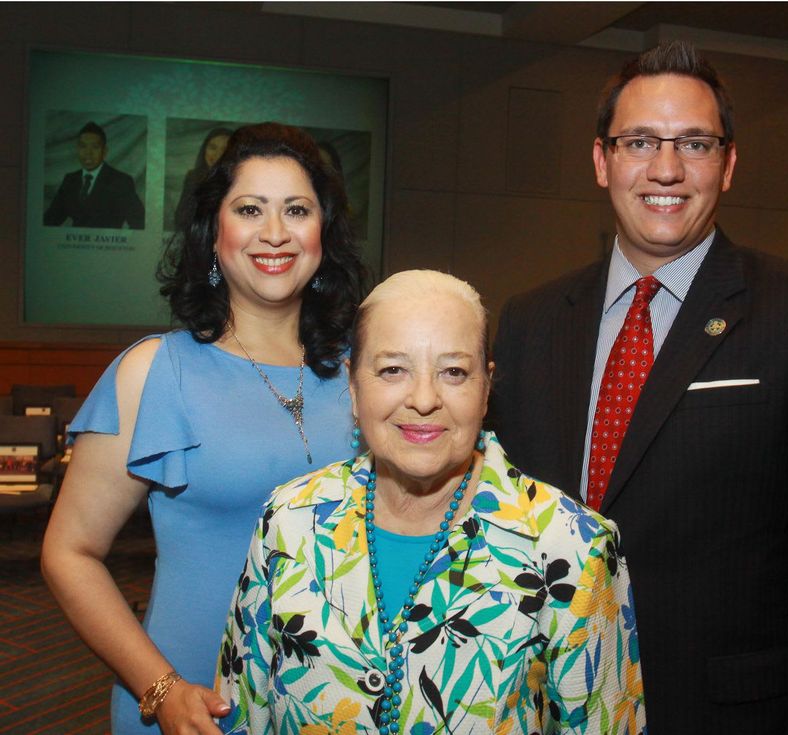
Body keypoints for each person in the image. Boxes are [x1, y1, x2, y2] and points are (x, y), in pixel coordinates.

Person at [489, 40, 788, 734]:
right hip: (542, 707)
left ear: (728, 164)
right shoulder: (529, 321)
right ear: (601, 160)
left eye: (694, 143)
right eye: (639, 142)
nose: (666, 168)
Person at [41, 122, 367, 735]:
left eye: (297, 210)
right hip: (190, 701)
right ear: (214, 233)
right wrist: (160, 689)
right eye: (250, 209)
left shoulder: (367, 372)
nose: (275, 232)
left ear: (323, 233)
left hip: (338, 704)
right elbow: (69, 553)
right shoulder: (154, 372)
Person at [216, 270, 645, 734]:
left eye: (453, 372)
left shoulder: (573, 548)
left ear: (485, 389)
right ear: (354, 387)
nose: (423, 399)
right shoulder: (289, 520)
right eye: (393, 370)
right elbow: (242, 715)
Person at [43, 120, 146, 229]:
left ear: (104, 151)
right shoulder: (70, 180)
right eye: (83, 146)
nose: (88, 153)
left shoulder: (121, 182)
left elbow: (139, 223)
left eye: (95, 147)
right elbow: (50, 220)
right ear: (77, 150)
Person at [174, 127, 234, 231]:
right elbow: (180, 219)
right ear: (204, 150)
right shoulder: (193, 178)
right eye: (213, 147)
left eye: (225, 149)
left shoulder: (241, 180)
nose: (218, 154)